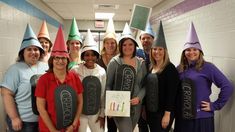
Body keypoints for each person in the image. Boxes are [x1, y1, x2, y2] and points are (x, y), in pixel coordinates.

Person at [174, 22, 233, 132]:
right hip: (183, 118)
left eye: (195, 49)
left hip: (201, 118)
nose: (191, 52)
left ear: (200, 51)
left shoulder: (208, 67)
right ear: (184, 52)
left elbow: (227, 86)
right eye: (188, 49)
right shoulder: (179, 69)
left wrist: (215, 105)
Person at [0, 24, 48, 132]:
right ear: (23, 52)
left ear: (40, 52)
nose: (33, 52)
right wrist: (14, 118)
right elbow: (6, 93)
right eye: (29, 49)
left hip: (43, 120)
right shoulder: (15, 69)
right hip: (24, 122)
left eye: (36, 49)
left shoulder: (46, 67)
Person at [35, 26, 83, 132]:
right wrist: (53, 130)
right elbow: (41, 108)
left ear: (67, 60)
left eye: (63, 58)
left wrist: (74, 125)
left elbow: (80, 102)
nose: (60, 61)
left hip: (71, 128)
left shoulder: (74, 77)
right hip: (49, 128)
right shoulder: (44, 80)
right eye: (57, 57)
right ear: (52, 60)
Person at [106, 23, 147, 132]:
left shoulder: (141, 63)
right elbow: (108, 85)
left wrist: (139, 98)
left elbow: (144, 85)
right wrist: (110, 107)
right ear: (120, 46)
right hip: (119, 106)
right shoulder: (114, 62)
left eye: (130, 44)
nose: (127, 47)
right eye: (124, 45)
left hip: (136, 106)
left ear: (134, 46)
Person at [145, 21, 180, 132]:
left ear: (165, 51)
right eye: (155, 49)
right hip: (151, 111)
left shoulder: (170, 69)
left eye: (160, 49)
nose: (157, 52)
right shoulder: (151, 67)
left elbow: (172, 93)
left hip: (163, 113)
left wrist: (167, 114)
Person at [72, 29, 106, 132]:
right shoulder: (75, 70)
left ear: (97, 56)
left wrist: (102, 114)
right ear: (83, 56)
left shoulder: (101, 72)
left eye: (93, 54)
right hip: (80, 112)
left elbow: (103, 94)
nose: (90, 57)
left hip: (96, 112)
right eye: (87, 55)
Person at [97, 18, 118, 132]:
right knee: (99, 127)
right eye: (107, 42)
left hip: (113, 99)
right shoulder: (98, 60)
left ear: (116, 44)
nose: (110, 45)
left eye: (113, 42)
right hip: (99, 99)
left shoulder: (120, 60)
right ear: (104, 44)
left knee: (112, 127)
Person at [136, 22, 155, 132]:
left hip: (154, 94)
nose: (146, 40)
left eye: (148, 38)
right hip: (140, 93)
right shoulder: (137, 53)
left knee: (154, 123)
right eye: (143, 38)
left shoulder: (158, 53)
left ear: (153, 39)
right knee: (142, 124)